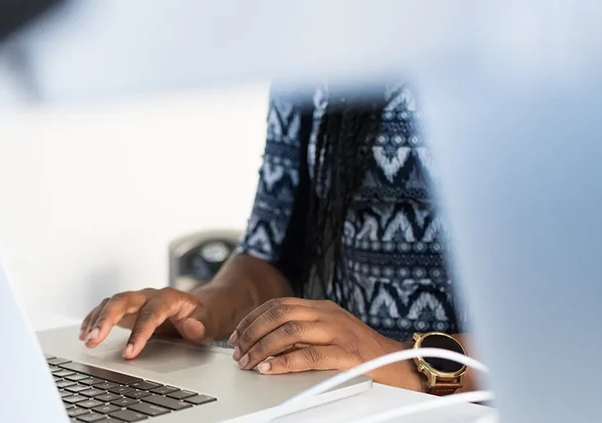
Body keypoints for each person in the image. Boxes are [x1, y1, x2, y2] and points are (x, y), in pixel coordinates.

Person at [80, 84, 478, 394]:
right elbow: (271, 254)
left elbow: (542, 336)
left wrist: (399, 359)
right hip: (346, 402)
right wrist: (204, 310)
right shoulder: (313, 40)